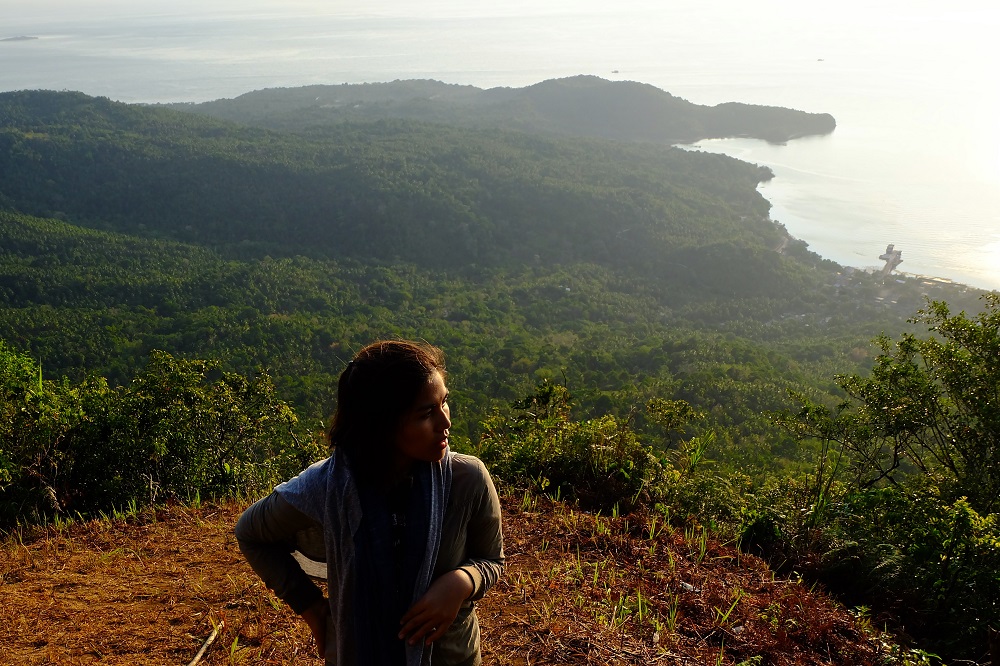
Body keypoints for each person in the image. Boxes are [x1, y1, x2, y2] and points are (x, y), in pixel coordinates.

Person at [235, 340, 504, 666]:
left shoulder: (467, 479)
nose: (445, 422)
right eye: (426, 413)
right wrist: (313, 608)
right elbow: (251, 533)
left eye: (444, 403)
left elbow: (491, 559)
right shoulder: (327, 487)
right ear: (383, 424)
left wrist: (461, 582)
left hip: (450, 657)